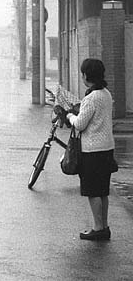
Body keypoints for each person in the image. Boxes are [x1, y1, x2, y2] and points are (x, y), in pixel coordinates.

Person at [53, 58, 117, 241]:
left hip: (92, 150)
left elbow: (80, 124)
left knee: (92, 190)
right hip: (107, 148)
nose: (82, 76)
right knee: (102, 190)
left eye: (83, 73)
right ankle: (104, 226)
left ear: (87, 75)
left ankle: (98, 229)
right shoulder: (106, 94)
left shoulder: (91, 98)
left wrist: (71, 115)